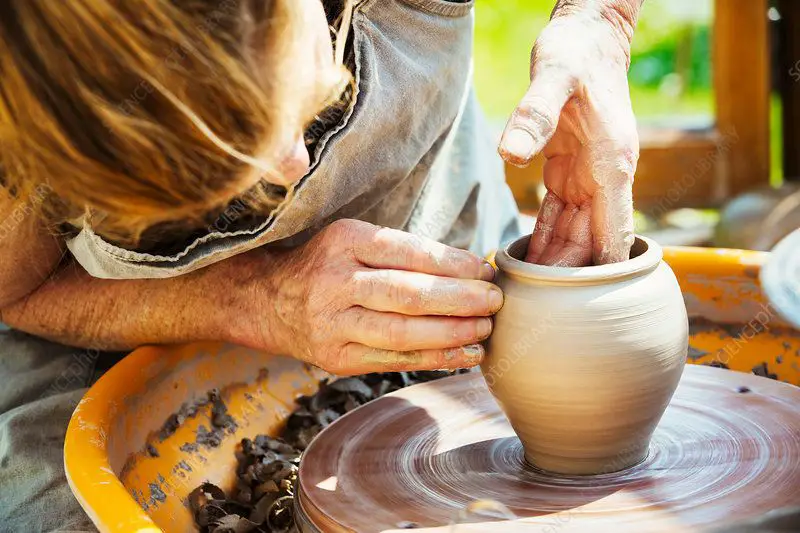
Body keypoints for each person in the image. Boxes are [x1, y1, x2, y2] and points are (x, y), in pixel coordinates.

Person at [0, 0, 644, 530]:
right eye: (216, 173)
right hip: (96, 319)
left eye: (299, 101)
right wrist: (254, 297)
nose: (291, 167)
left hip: (427, 215)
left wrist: (599, 27)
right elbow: (15, 290)